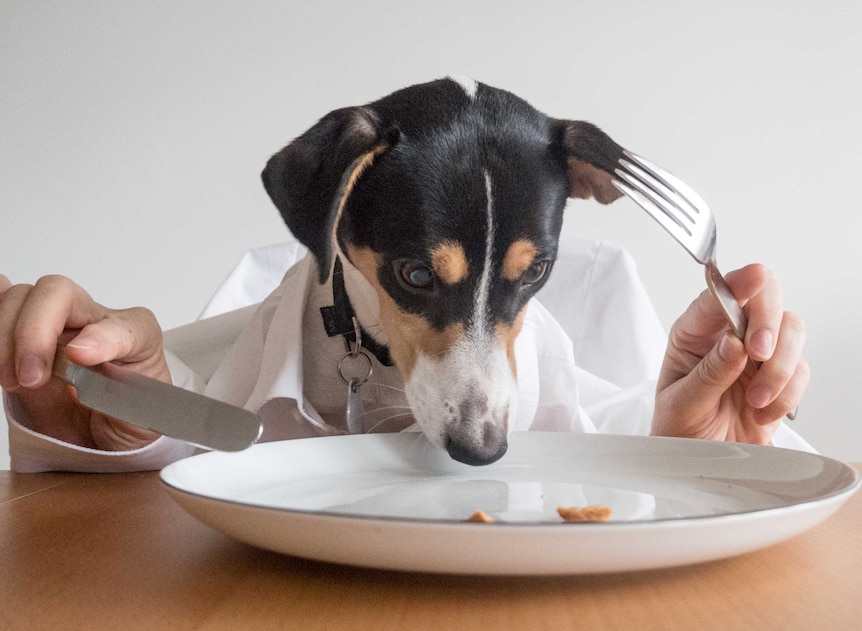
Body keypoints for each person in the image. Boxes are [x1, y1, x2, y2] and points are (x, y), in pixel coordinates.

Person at [0, 231, 810, 473]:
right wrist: (102, 432)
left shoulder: (591, 314)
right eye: (420, 276)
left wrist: (696, 465)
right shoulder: (235, 352)